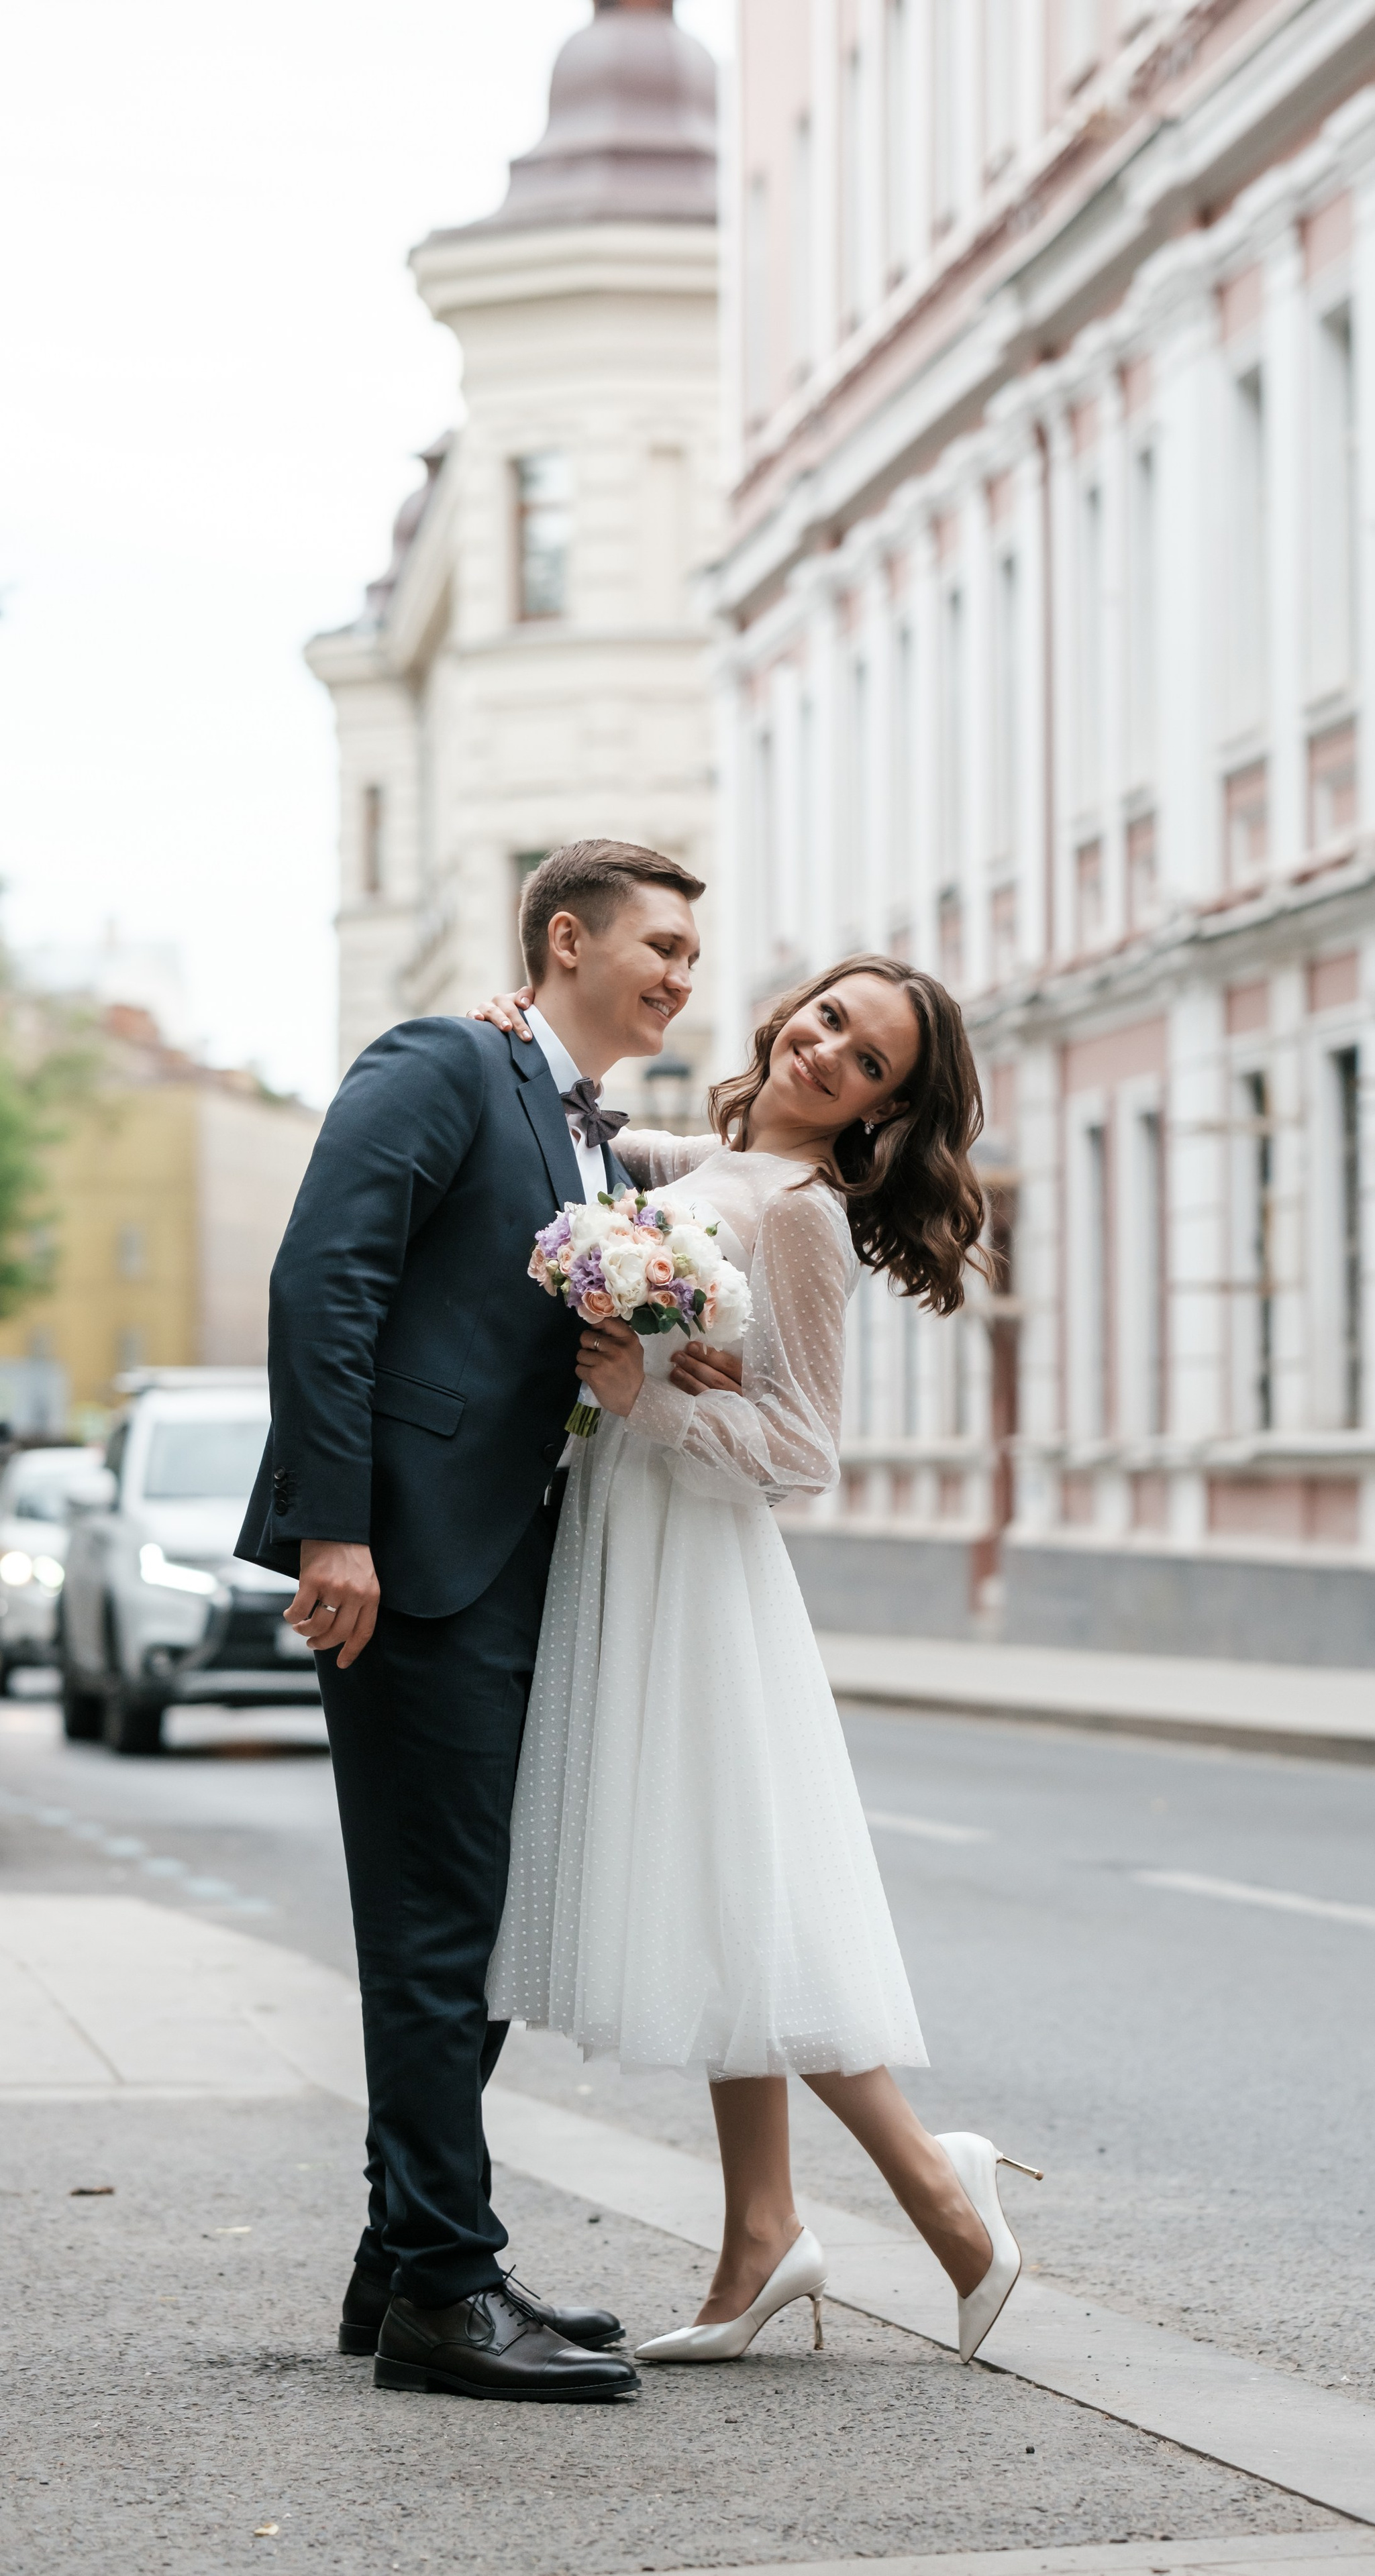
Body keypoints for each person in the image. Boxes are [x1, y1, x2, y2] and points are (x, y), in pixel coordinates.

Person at [468, 955, 1041, 2369]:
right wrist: (508, 1031)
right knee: (721, 1891)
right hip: (636, 1541)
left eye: (866, 1063)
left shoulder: (798, 1217)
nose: (825, 1050)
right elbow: (594, 1134)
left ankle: (936, 2194)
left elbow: (806, 1452)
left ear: (877, 1114)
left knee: (741, 1886)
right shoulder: (716, 1160)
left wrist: (640, 1400)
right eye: (829, 1017)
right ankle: (761, 2233)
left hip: (695, 1561)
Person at [236, 839, 709, 2404]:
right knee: (442, 1935)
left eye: (693, 959)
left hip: (510, 1558)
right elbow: (328, 1279)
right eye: (656, 948)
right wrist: (336, 1525)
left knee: (479, 1929)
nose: (678, 977)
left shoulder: (578, 1126)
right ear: (564, 941)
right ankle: (448, 2284)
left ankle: (402, 2266)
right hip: (411, 1557)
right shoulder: (444, 1059)